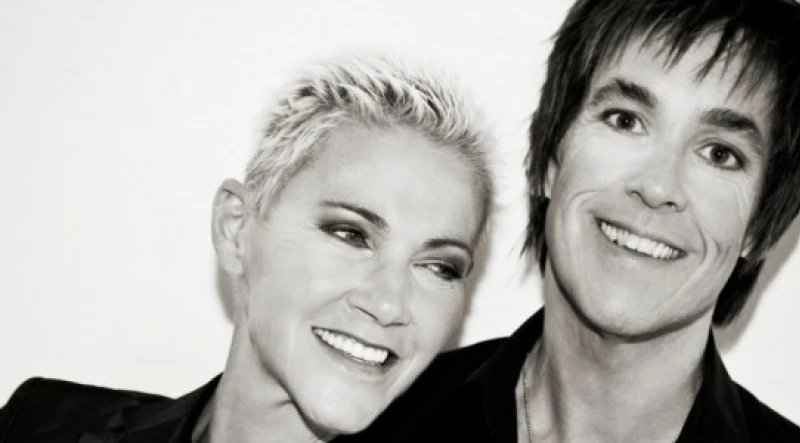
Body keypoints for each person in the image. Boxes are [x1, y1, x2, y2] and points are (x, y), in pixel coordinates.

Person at [339, 0, 800, 442]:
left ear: (761, 225)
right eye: (626, 120)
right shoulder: (380, 419)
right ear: (550, 159)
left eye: (719, 154)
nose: (657, 186)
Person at [0, 53, 496, 442]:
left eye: (439, 267)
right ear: (236, 228)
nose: (389, 304)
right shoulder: (41, 423)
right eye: (351, 234)